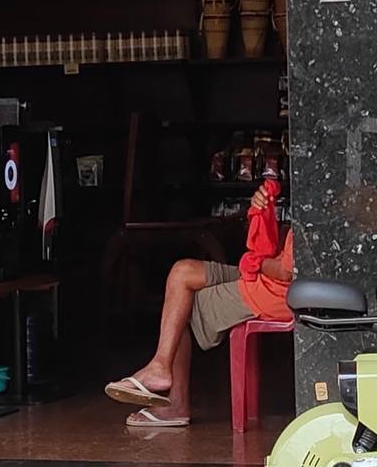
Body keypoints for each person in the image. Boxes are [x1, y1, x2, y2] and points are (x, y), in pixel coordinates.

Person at [103, 181, 293, 428]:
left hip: (275, 292)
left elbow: (287, 271)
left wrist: (255, 262)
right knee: (182, 272)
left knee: (183, 302)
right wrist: (264, 213)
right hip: (265, 277)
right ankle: (160, 366)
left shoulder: (321, 201)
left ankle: (174, 400)